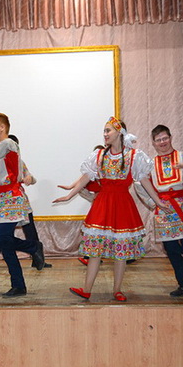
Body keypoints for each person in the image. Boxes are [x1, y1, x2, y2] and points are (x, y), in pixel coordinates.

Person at [53, 117, 168, 302]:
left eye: (108, 130)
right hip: (103, 205)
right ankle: (86, 289)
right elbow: (86, 177)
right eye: (104, 131)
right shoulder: (99, 155)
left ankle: (117, 290)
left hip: (122, 205)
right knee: (95, 250)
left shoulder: (133, 156)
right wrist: (69, 195)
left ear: (119, 132)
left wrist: (158, 201)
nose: (105, 134)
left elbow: (144, 180)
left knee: (120, 253)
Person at [0, 113, 45, 298]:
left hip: (11, 199)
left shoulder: (8, 144)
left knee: (0, 239)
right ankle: (18, 285)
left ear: (2, 128)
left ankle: (33, 247)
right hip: (1, 201)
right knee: (5, 243)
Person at [142, 124, 183, 297]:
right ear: (153, 143)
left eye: (165, 138)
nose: (162, 142)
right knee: (172, 250)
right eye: (158, 140)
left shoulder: (182, 156)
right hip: (164, 211)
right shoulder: (150, 164)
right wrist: (154, 202)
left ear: (170, 138)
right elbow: (140, 184)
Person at [0, 134, 51, 270]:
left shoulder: (18, 162)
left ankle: (36, 257)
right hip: (1, 201)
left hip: (17, 200)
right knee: (1, 235)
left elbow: (30, 177)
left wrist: (29, 178)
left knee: (27, 230)